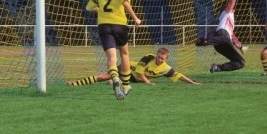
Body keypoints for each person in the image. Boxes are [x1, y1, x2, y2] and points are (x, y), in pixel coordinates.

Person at [86, 0, 141, 100]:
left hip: (104, 25)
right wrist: (136, 18)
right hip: (119, 25)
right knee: (124, 53)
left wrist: (101, 12)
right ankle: (126, 85)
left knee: (111, 57)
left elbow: (89, 7)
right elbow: (126, 3)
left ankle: (115, 78)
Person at [196, 0, 248, 72]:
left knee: (241, 62)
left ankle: (217, 68)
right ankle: (205, 41)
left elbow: (232, 36)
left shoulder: (230, 21)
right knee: (225, 38)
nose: (231, 6)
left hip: (222, 44)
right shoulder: (227, 12)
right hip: (221, 38)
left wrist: (241, 46)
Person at [67, 47, 201, 87]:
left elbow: (179, 75)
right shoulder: (149, 57)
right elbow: (140, 73)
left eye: (162, 58)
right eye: (158, 56)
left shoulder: (166, 68)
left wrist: (193, 82)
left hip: (134, 79)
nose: (159, 59)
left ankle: (115, 81)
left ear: (166, 58)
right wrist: (148, 83)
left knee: (113, 80)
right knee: (104, 76)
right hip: (128, 68)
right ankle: (74, 84)